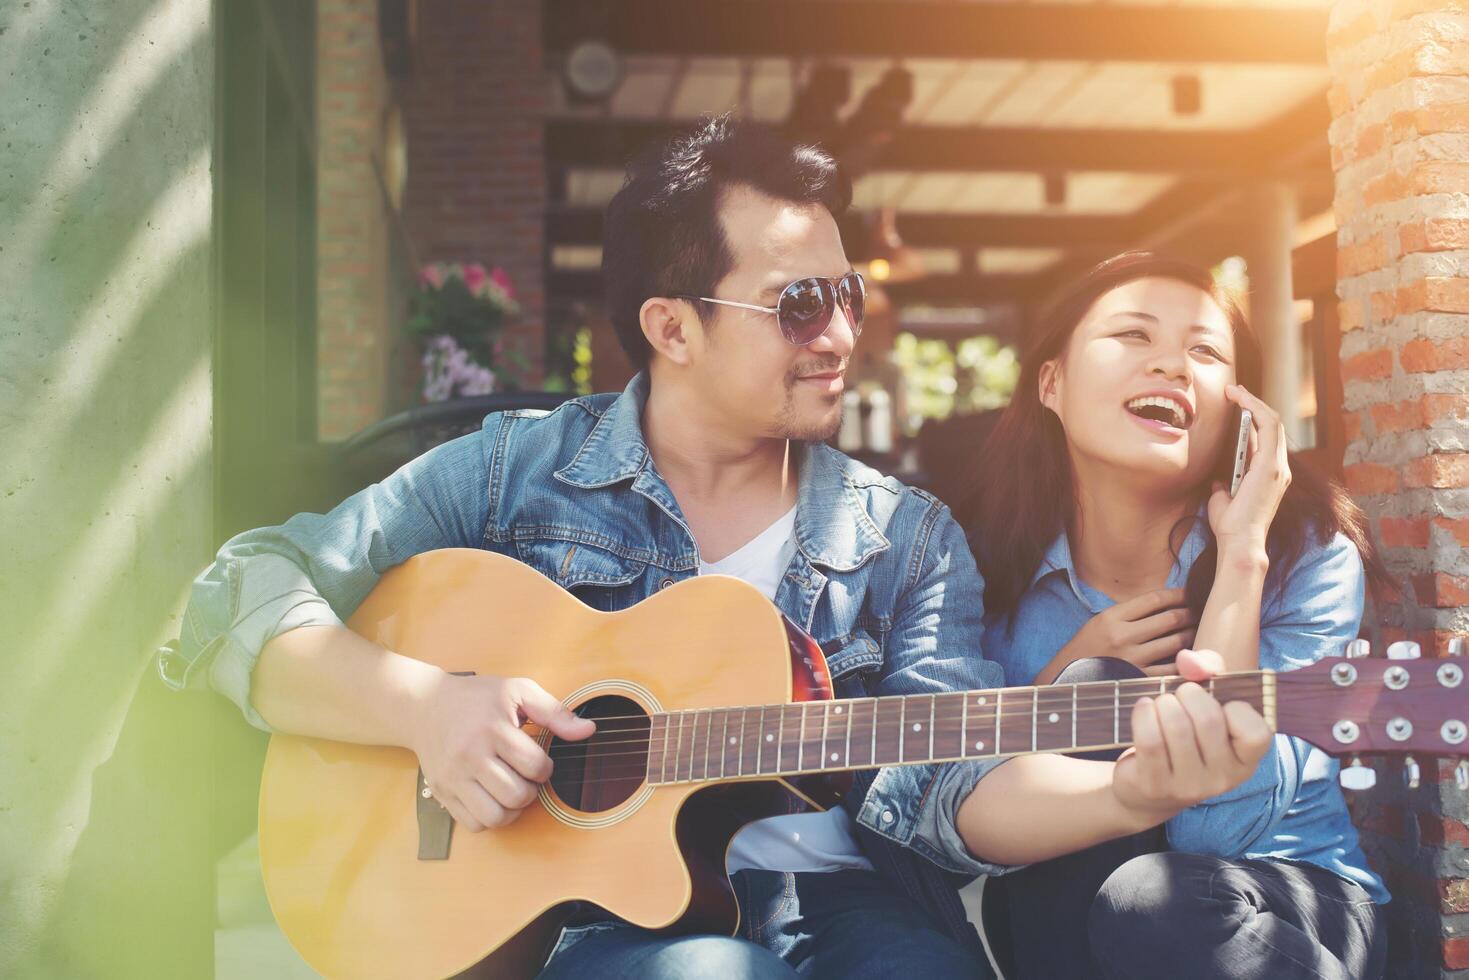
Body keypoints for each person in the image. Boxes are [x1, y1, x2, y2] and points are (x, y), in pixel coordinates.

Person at [159, 121, 1270, 979]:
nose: (838, 333)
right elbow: (233, 589)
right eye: (796, 303)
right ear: (671, 327)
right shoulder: (512, 473)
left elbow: (949, 780)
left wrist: (1126, 795)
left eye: (845, 294)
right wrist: (422, 706)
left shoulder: (902, 534)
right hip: (586, 923)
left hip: (846, 910)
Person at [969, 251, 1392, 979]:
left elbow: (1216, 823)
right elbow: (961, 824)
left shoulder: (1306, 557)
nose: (1171, 365)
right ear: (1051, 383)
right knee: (1089, 692)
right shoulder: (984, 578)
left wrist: (1240, 557)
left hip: (1280, 906)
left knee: (1150, 900)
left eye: (1203, 351)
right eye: (1133, 336)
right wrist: (1059, 680)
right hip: (1063, 927)